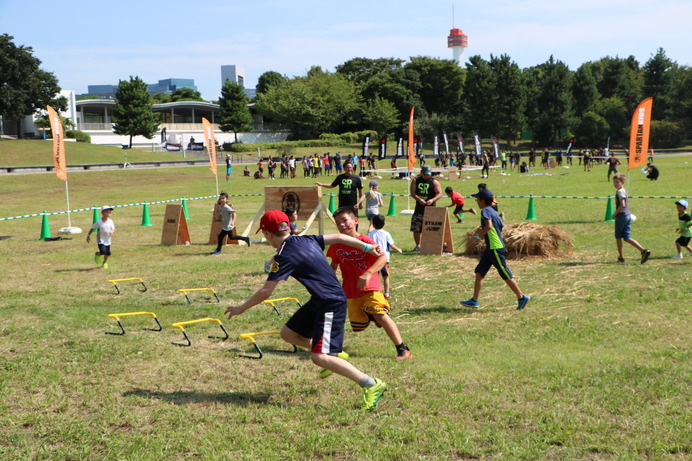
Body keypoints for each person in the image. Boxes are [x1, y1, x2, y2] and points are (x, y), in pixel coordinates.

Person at [224, 209, 388, 411]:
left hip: (331, 302)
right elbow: (337, 237)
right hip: (320, 299)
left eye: (265, 235)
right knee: (288, 333)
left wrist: (241, 308)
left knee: (320, 357)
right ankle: (335, 356)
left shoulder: (283, 257)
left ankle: (372, 384)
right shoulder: (304, 239)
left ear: (267, 234)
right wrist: (366, 247)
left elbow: (266, 291)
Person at [328, 207, 412, 360]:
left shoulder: (365, 241)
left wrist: (367, 274)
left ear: (355, 220)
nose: (342, 225)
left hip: (370, 285)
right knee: (357, 326)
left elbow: (383, 258)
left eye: (345, 220)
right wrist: (327, 284)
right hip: (350, 289)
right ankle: (371, 314)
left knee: (380, 314)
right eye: (338, 223)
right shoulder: (336, 245)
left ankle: (403, 349)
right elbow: (333, 266)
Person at [459, 189, 530, 310]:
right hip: (490, 248)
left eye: (477, 199)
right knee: (479, 272)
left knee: (505, 273)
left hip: (495, 248)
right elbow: (500, 227)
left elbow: (488, 226)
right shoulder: (493, 211)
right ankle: (474, 301)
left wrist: (477, 236)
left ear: (482, 200)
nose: (476, 201)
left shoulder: (485, 211)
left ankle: (521, 297)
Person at [611, 173, 651, 264]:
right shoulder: (623, 190)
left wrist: (614, 214)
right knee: (627, 237)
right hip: (628, 215)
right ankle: (643, 250)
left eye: (617, 182)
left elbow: (622, 205)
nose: (615, 184)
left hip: (621, 216)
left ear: (623, 182)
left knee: (618, 237)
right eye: (614, 182)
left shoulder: (620, 192)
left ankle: (621, 257)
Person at [368, 214, 403, 300]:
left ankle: (375, 292)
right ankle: (386, 294)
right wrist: (398, 249)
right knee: (386, 277)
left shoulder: (370, 234)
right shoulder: (386, 234)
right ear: (384, 223)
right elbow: (391, 245)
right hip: (384, 260)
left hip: (374, 258)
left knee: (374, 276)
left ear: (373, 224)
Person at [409, 165, 442, 251]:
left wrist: (432, 200)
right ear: (421, 173)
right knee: (416, 227)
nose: (427, 176)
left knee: (430, 227)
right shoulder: (416, 180)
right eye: (425, 174)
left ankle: (430, 245)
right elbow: (413, 193)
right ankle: (418, 245)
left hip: (431, 209)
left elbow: (439, 194)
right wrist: (419, 199)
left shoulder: (434, 182)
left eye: (428, 174)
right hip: (419, 208)